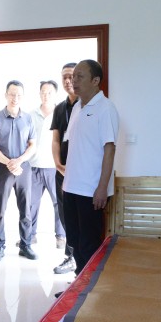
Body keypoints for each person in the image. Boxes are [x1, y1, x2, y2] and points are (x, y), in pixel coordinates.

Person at [61, 59, 119, 275]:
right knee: (74, 241)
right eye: (73, 76)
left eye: (80, 76)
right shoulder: (77, 107)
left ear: (95, 81)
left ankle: (90, 290)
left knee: (89, 245)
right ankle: (79, 286)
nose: (73, 81)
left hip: (91, 190)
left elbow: (109, 149)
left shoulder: (106, 108)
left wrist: (102, 188)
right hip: (71, 187)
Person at [0, 80, 37, 261]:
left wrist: (19, 161)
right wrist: (8, 163)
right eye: (12, 94)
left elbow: (33, 145)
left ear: (23, 96)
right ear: (6, 95)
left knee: (26, 209)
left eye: (19, 95)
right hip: (2, 169)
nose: (15, 98)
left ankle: (26, 245)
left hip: (23, 169)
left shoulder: (28, 118)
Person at [28, 80, 66, 249]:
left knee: (59, 203)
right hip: (34, 166)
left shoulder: (61, 113)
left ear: (55, 94)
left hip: (54, 167)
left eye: (49, 92)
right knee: (32, 203)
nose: (46, 95)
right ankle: (30, 235)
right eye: (43, 92)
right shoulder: (31, 115)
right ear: (39, 94)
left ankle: (61, 236)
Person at [50, 63, 78, 274]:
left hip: (82, 172)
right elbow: (56, 139)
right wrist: (58, 164)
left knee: (80, 215)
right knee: (65, 214)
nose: (67, 81)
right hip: (62, 171)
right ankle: (71, 256)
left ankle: (81, 258)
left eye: (71, 76)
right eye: (64, 77)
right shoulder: (60, 108)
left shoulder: (86, 106)